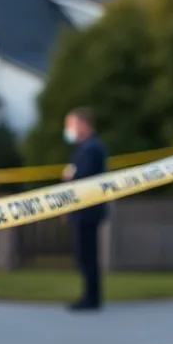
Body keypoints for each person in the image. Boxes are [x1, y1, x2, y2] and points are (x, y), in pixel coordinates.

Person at [61, 107, 109, 311]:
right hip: (81, 211)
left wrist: (71, 176)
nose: (68, 129)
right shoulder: (83, 148)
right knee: (84, 255)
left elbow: (84, 179)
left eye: (70, 124)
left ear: (82, 124)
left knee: (87, 255)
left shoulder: (92, 148)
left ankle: (91, 299)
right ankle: (90, 296)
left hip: (87, 212)